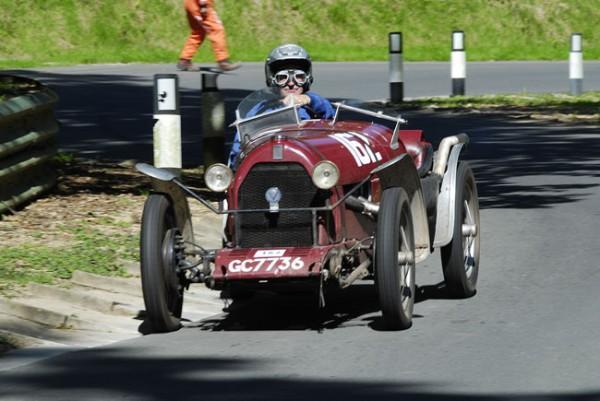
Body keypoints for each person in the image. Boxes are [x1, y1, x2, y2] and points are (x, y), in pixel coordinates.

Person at [227, 44, 335, 165]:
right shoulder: (258, 111)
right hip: (267, 164)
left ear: (307, 78)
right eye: (282, 77)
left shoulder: (314, 104)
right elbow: (239, 147)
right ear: (272, 79)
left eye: (299, 77)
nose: (291, 83)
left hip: (309, 164)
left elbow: (330, 115)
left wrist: (308, 99)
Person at [177, 0, 240, 72]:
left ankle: (184, 60)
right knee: (217, 30)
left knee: (198, 32)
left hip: (190, 4)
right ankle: (223, 61)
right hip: (200, 4)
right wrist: (203, 4)